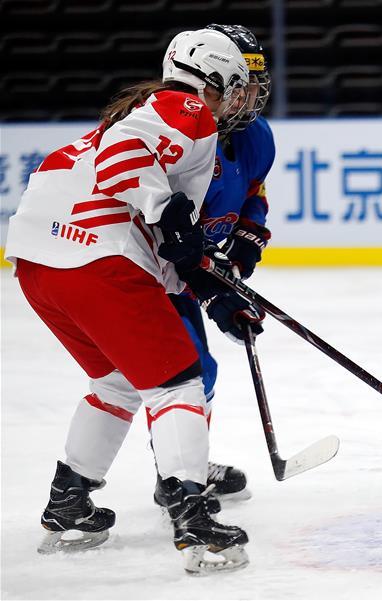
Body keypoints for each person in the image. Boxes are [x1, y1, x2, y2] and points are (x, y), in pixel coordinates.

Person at [4, 29, 264, 574]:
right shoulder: (187, 107)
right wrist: (168, 211)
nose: (241, 99)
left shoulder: (145, 112)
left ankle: (69, 503)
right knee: (178, 384)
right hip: (98, 260)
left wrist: (212, 290)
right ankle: (193, 519)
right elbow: (122, 162)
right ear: (212, 79)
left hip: (39, 264)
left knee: (118, 382)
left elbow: (166, 248)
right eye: (236, 86)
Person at [151, 23, 275, 510]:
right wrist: (214, 288)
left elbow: (254, 194)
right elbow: (167, 232)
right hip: (152, 270)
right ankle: (176, 477)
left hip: (188, 270)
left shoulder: (256, 137)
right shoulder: (178, 138)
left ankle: (184, 467)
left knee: (198, 370)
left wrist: (246, 241)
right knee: (185, 371)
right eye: (241, 86)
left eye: (255, 86)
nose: (249, 98)